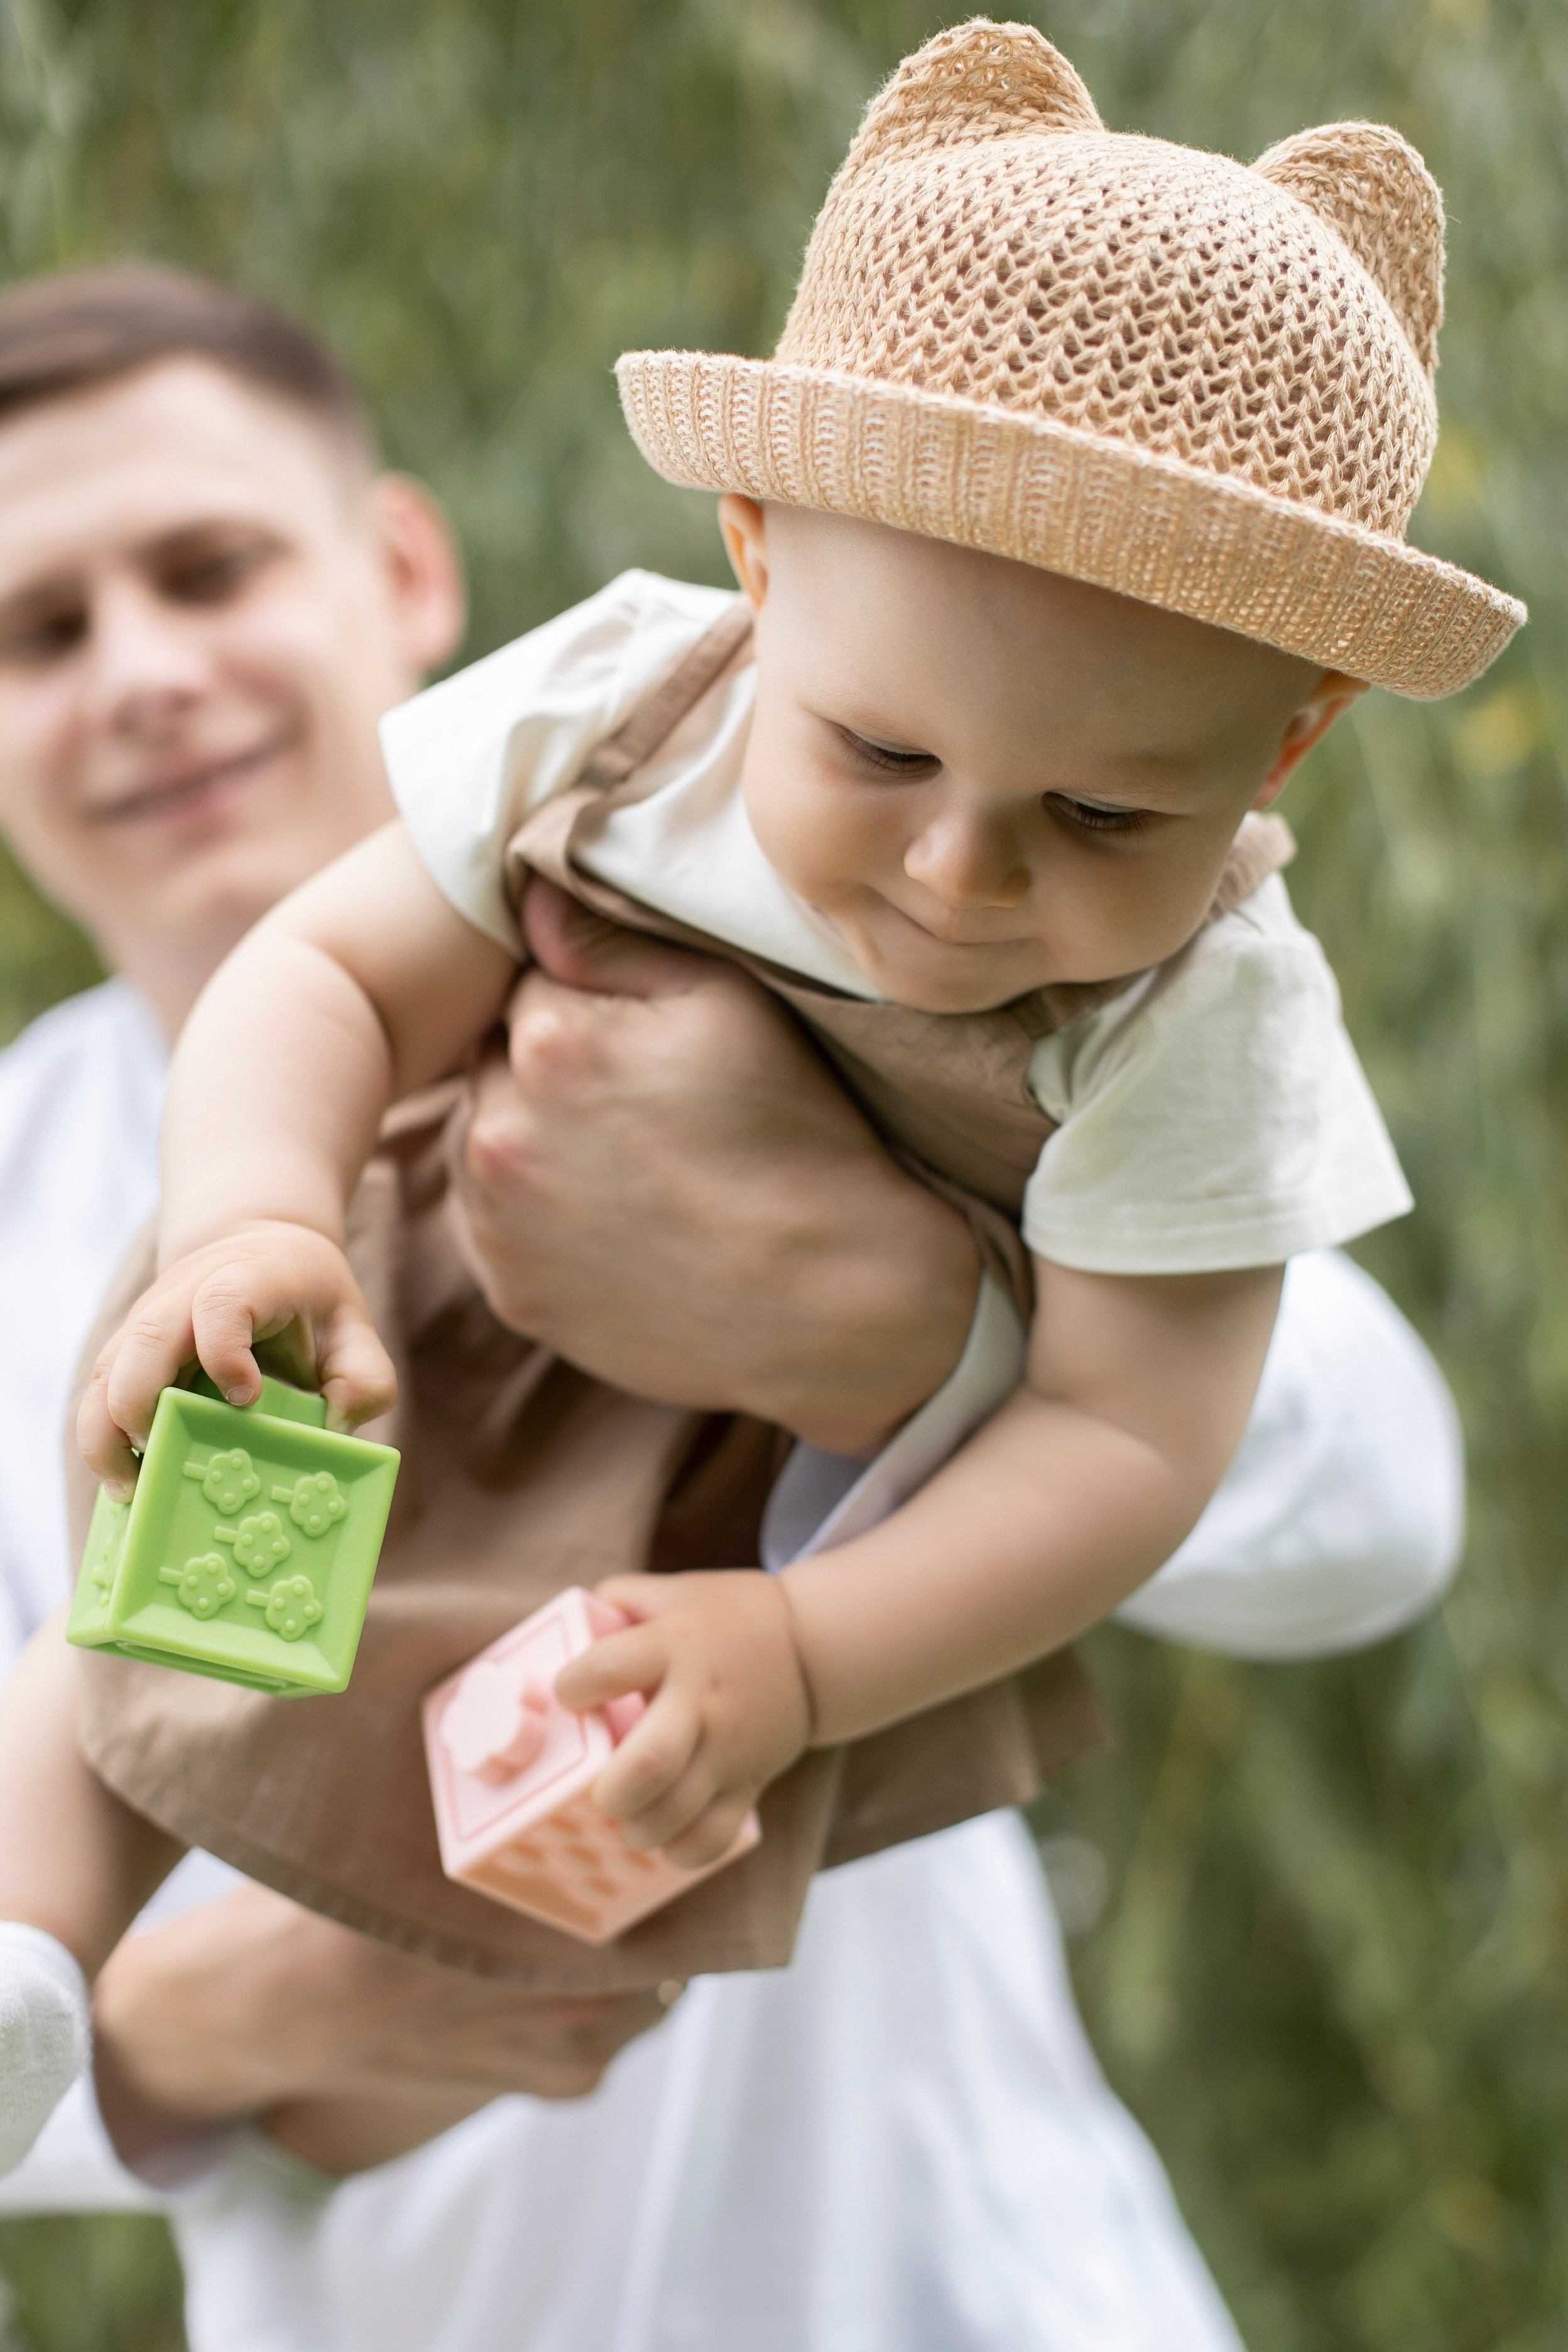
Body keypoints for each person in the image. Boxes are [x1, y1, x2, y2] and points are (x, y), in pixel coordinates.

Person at [2, 18, 1515, 2208]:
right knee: (136, 1614)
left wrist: (812, 1643)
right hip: (378, 1346)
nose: (962, 873)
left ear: (1287, 745)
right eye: (879, 756)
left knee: (592, 1844)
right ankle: (32, 1965)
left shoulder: (1208, 1021)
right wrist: (255, 1216)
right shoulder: (626, 704)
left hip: (728, 1588)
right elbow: (325, 978)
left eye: (1106, 814)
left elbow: (1150, 1441)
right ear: (757, 563)